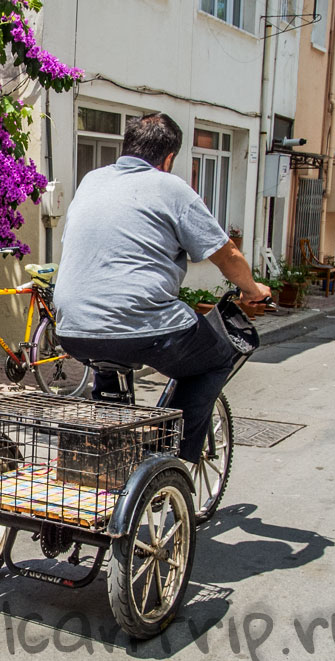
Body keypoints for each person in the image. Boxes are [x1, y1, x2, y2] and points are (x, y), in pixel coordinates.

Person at [53, 112, 269, 463]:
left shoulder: (91, 181)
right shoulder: (171, 187)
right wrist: (253, 290)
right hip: (142, 330)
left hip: (73, 330)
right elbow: (227, 255)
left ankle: (108, 453)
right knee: (218, 355)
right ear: (167, 159)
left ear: (126, 148)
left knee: (111, 357)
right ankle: (167, 456)